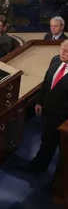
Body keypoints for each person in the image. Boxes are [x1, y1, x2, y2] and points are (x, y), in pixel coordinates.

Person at [29, 40, 68, 172]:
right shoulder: (56, 60)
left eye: (67, 51)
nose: (63, 52)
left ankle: (38, 168)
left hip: (61, 116)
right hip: (46, 109)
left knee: (50, 143)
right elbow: (46, 82)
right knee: (46, 138)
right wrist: (39, 101)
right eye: (62, 48)